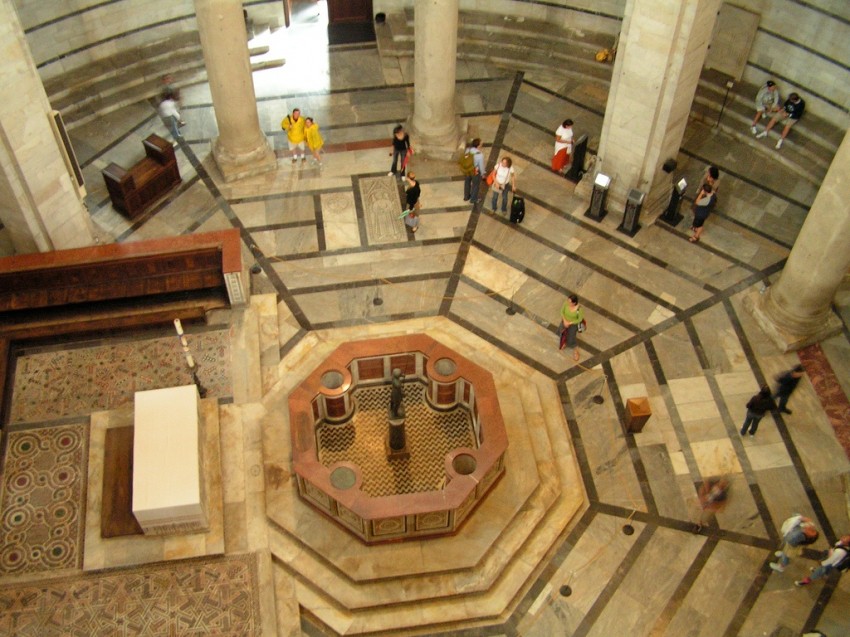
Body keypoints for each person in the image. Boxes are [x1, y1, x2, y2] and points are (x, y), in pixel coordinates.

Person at [559, 294, 584, 362]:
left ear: (574, 303)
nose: (568, 302)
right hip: (564, 321)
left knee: (571, 337)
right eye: (568, 301)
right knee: (562, 332)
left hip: (573, 324)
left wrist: (569, 323)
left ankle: (575, 350)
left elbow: (579, 319)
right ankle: (564, 343)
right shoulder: (566, 304)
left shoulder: (579, 309)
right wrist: (564, 320)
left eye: (570, 302)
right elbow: (562, 312)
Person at [462, 138, 485, 203]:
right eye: (481, 144)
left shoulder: (468, 150)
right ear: (478, 146)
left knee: (467, 182)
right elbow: (481, 166)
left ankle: (466, 197)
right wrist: (483, 174)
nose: (482, 145)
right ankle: (473, 199)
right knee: (475, 185)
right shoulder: (480, 154)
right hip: (475, 171)